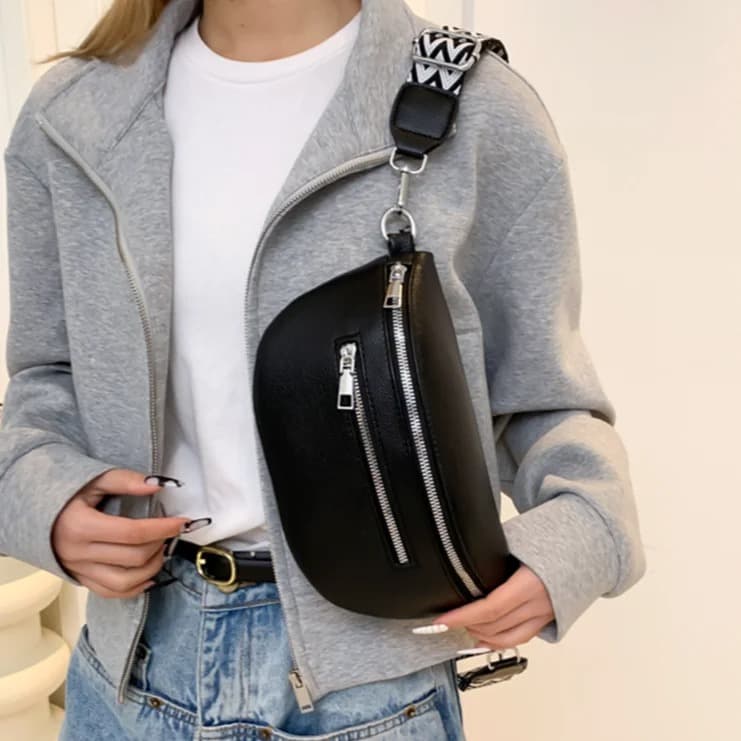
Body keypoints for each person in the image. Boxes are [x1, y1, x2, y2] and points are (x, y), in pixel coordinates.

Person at [0, 0, 647, 738]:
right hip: (129, 676)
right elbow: (45, 376)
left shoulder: (476, 106)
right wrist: (44, 501)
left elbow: (543, 394)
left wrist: (575, 539)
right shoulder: (73, 113)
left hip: (373, 693)